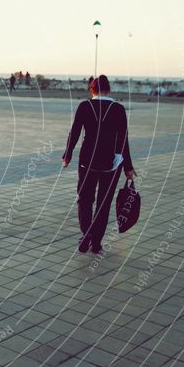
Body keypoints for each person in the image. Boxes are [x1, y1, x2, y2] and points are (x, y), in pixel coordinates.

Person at [62, 75, 137, 254]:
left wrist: (68, 154)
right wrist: (128, 166)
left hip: (87, 160)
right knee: (103, 203)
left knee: (85, 199)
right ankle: (96, 243)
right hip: (111, 162)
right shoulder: (118, 109)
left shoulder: (84, 106)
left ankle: (86, 233)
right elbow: (123, 138)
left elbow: (74, 132)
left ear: (92, 89)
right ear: (108, 89)